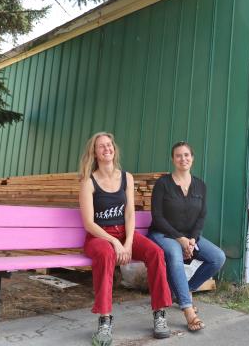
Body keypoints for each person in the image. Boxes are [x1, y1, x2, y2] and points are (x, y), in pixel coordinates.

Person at [79, 132, 172, 345]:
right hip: (99, 236)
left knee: (156, 252)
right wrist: (114, 243)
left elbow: (130, 213)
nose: (106, 149)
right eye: (101, 146)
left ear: (114, 148)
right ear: (94, 152)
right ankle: (104, 320)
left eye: (109, 145)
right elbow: (89, 224)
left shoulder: (126, 177)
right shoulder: (88, 181)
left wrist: (128, 242)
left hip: (124, 233)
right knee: (105, 255)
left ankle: (159, 313)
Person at [149, 141, 226, 332]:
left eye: (186, 155)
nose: (183, 159)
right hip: (163, 234)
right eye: (178, 155)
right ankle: (188, 310)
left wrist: (192, 238)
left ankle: (184, 290)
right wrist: (180, 239)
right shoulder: (163, 183)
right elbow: (157, 216)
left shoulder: (200, 185)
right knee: (175, 255)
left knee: (217, 257)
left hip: (190, 237)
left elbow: (202, 216)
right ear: (173, 160)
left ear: (192, 158)